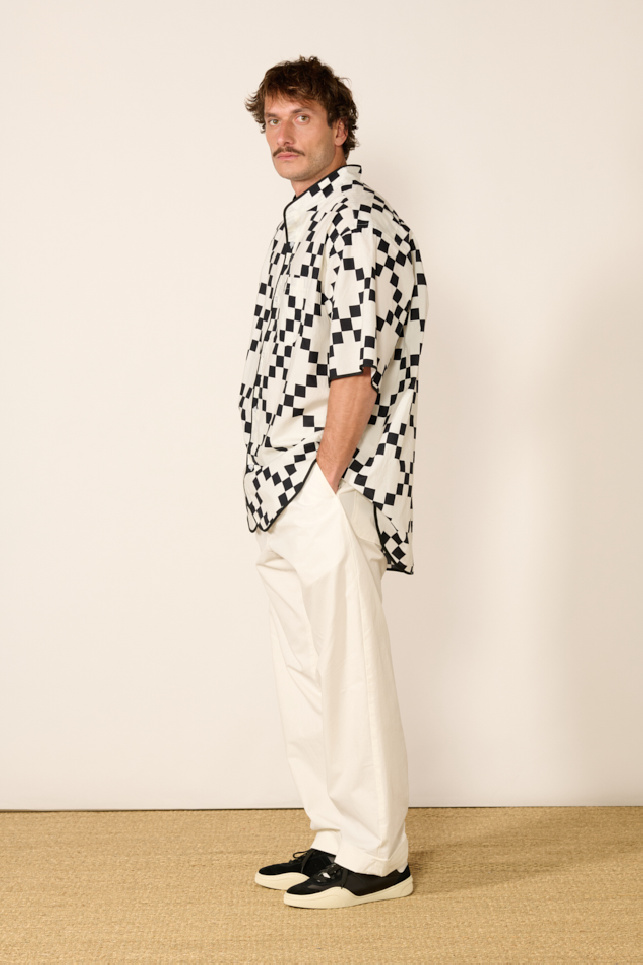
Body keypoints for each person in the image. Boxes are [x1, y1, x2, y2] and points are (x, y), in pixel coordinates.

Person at [239, 55, 428, 909]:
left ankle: (377, 856)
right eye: (272, 120)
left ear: (339, 129)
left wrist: (323, 480)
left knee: (347, 671)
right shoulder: (302, 220)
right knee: (307, 670)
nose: (282, 134)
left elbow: (359, 368)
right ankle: (334, 835)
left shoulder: (355, 222)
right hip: (279, 484)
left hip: (325, 485)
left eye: (302, 117)